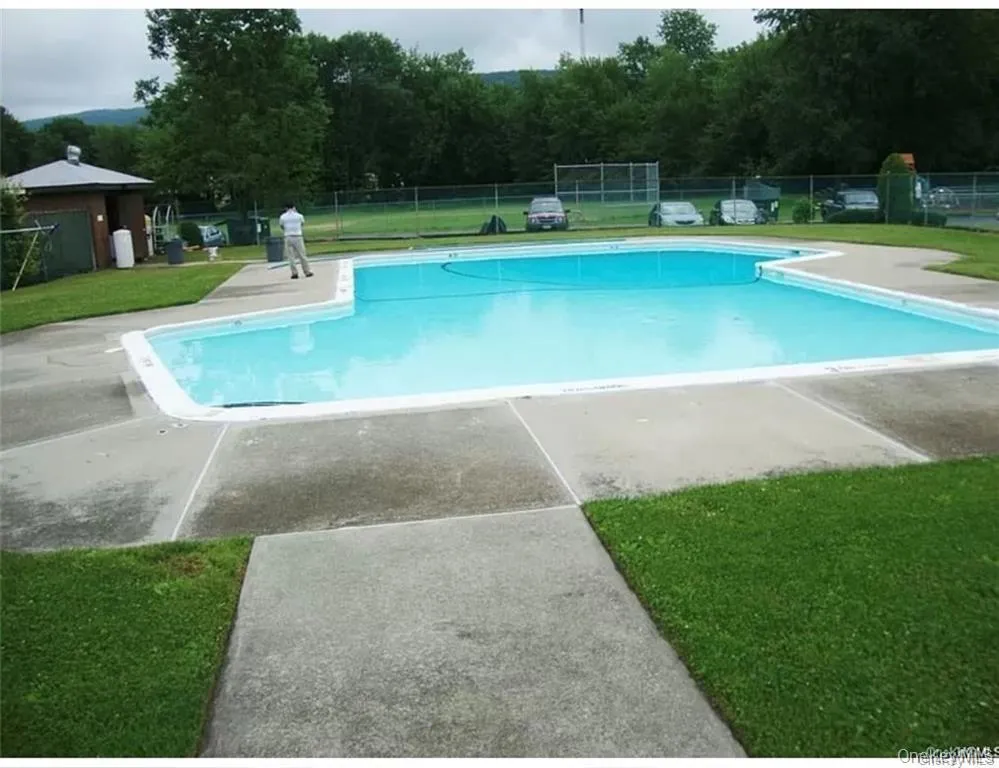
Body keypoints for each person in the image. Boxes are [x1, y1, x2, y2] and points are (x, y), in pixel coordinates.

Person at [278, 202, 313, 279]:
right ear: (294, 207)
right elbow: (302, 224)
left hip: (288, 236)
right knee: (302, 255)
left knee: (291, 256)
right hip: (298, 236)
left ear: (286, 208)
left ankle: (294, 273)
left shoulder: (283, 216)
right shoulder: (299, 216)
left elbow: (282, 226)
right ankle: (307, 271)